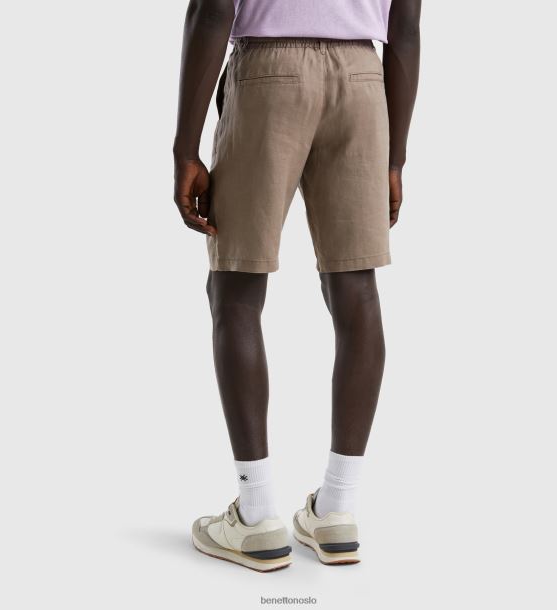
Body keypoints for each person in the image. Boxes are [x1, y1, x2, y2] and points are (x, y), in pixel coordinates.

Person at [173, 0, 421, 571]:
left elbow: (212, 11)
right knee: (355, 289)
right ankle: (336, 509)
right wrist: (395, 160)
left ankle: (257, 514)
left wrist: (185, 147)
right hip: (363, 81)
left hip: (268, 75)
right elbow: (405, 27)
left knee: (236, 288)